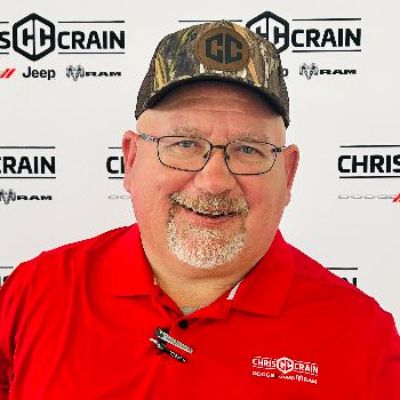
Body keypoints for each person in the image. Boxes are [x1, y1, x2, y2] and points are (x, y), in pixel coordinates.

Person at [0, 20, 399, 399]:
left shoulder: (363, 337)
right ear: (131, 158)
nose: (214, 181)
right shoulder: (35, 291)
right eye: (184, 144)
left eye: (248, 150)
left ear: (288, 173)